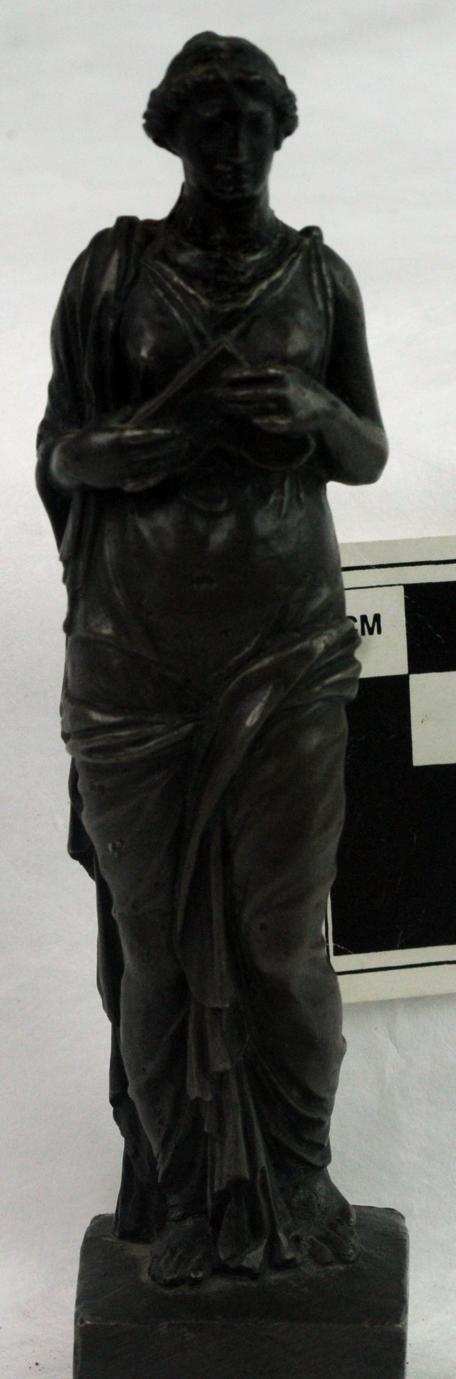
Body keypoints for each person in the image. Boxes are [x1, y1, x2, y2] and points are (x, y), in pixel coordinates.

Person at [36, 32, 388, 1286]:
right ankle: (185, 1192)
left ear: (281, 132)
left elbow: (368, 451)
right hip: (135, 660)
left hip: (287, 648)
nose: (233, 148)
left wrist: (314, 411)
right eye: (208, 124)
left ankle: (298, 1178)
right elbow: (60, 448)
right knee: (155, 943)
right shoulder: (111, 272)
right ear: (171, 134)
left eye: (253, 124)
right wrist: (116, 452)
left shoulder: (320, 278)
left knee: (283, 937)